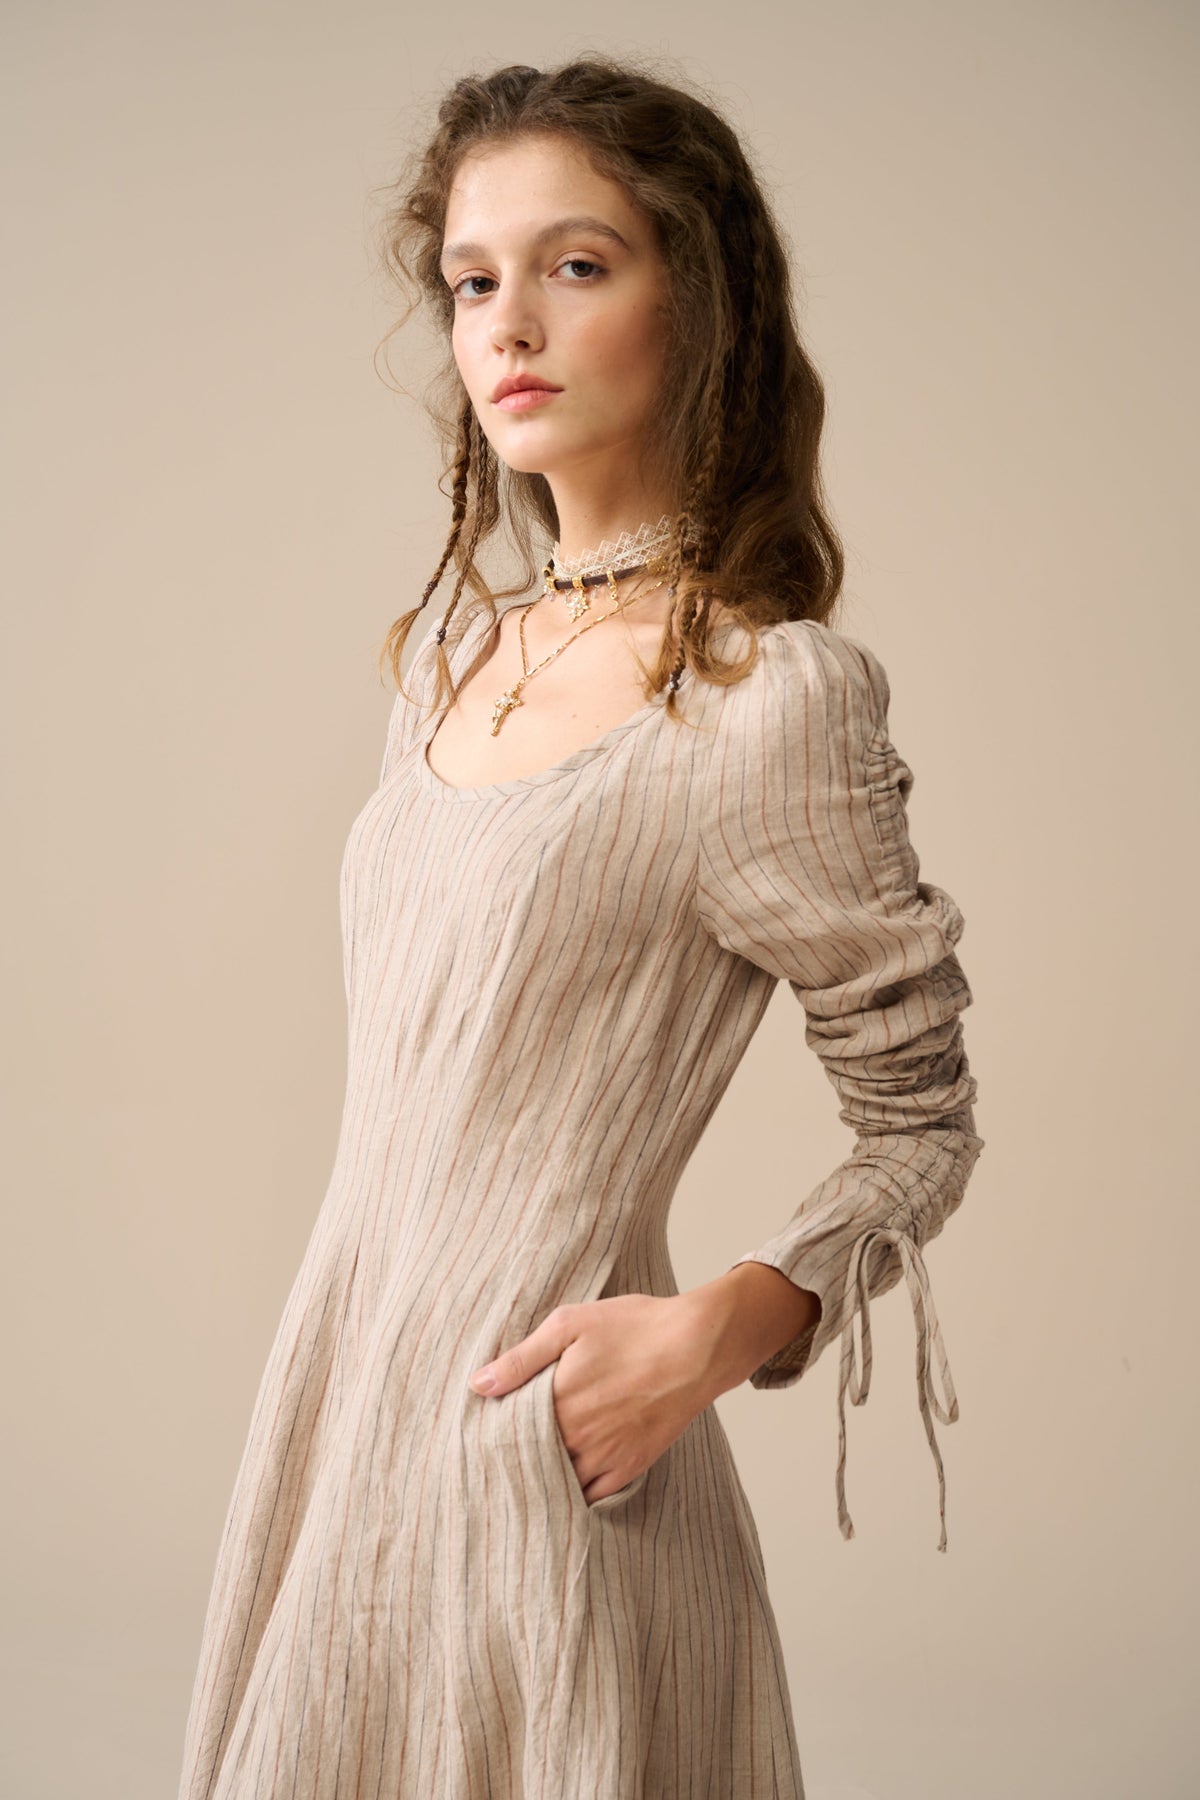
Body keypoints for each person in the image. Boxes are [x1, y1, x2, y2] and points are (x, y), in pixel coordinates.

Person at [177, 54, 984, 1800]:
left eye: (578, 265)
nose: (510, 326)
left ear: (698, 303)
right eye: (473, 282)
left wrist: (715, 1332)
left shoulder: (766, 699)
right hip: (341, 1418)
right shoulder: (453, 664)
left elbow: (922, 1123)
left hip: (544, 1457)